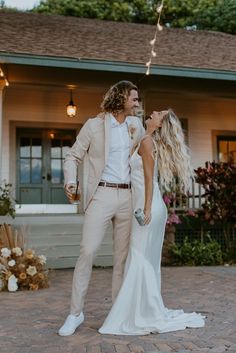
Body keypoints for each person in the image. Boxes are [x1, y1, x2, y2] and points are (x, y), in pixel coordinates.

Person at [99, 109, 205, 335]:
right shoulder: (144, 139)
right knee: (145, 259)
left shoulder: (147, 142)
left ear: (159, 124)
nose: (153, 112)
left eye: (159, 113)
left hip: (149, 207)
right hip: (150, 205)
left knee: (139, 257)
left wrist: (146, 208)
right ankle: (144, 309)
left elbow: (148, 179)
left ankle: (143, 313)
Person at [58, 80, 145, 336]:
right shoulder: (94, 126)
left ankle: (117, 314)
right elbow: (73, 155)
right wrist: (71, 180)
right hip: (102, 194)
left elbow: (145, 158)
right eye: (134, 99)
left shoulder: (135, 126)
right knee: (88, 251)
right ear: (120, 99)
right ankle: (75, 313)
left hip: (128, 196)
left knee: (121, 259)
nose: (138, 103)